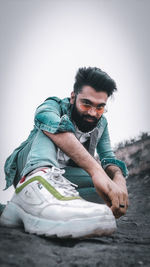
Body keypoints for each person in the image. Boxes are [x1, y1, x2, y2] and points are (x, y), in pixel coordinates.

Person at [0, 67, 129, 238]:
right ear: (73, 97)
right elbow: (48, 121)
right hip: (29, 166)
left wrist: (119, 181)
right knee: (50, 127)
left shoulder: (102, 123)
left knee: (106, 192)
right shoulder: (54, 105)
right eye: (86, 103)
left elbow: (108, 159)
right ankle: (34, 185)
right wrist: (96, 170)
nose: (92, 112)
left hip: (64, 179)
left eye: (100, 107)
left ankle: (17, 210)